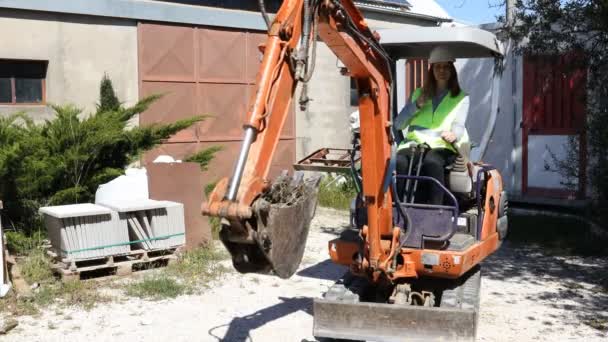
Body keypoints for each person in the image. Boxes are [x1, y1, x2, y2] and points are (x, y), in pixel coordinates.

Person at [394, 46, 470, 205]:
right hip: (414, 143)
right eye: (438, 67)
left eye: (446, 67)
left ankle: (436, 208)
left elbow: (459, 124)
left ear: (452, 70)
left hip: (443, 145)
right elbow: (399, 124)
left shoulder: (461, 97)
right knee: (400, 162)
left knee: (432, 162)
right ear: (432, 70)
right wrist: (417, 105)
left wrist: (454, 134)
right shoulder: (418, 94)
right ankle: (399, 207)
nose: (442, 70)